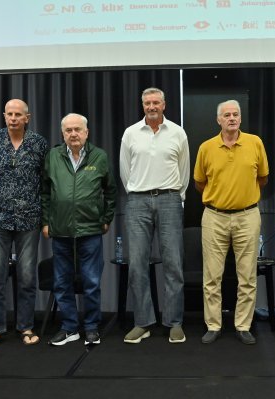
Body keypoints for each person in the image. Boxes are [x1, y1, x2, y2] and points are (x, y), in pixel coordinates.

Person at [194, 100, 269, 345]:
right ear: (218, 120)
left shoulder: (255, 142)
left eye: (235, 114)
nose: (232, 118)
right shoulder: (206, 148)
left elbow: (263, 178)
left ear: (240, 118)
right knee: (212, 276)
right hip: (214, 216)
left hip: (247, 216)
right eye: (227, 115)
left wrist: (241, 197)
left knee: (247, 275)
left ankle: (243, 325)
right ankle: (213, 325)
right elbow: (199, 183)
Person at [119, 87, 190, 344]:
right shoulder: (131, 134)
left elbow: (184, 171)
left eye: (156, 102)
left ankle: (174, 322)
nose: (152, 107)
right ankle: (143, 322)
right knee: (137, 265)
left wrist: (176, 196)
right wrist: (138, 192)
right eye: (147, 103)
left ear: (164, 104)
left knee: (173, 264)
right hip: (137, 201)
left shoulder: (178, 133)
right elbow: (125, 171)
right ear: (143, 106)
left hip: (170, 199)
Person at [0, 99, 48, 349]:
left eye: (19, 114)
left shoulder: (39, 143)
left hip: (29, 219)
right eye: (10, 114)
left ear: (27, 118)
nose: (14, 118)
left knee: (27, 276)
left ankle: (25, 327)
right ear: (4, 116)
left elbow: (45, 178)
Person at [42, 113, 117, 346]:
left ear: (86, 132)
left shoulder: (99, 156)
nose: (73, 134)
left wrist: (105, 218)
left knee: (91, 282)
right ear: (62, 133)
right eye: (68, 130)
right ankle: (69, 328)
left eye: (77, 129)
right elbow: (45, 192)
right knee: (61, 282)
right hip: (60, 230)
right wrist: (46, 221)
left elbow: (111, 191)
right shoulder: (53, 156)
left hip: (90, 230)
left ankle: (92, 327)